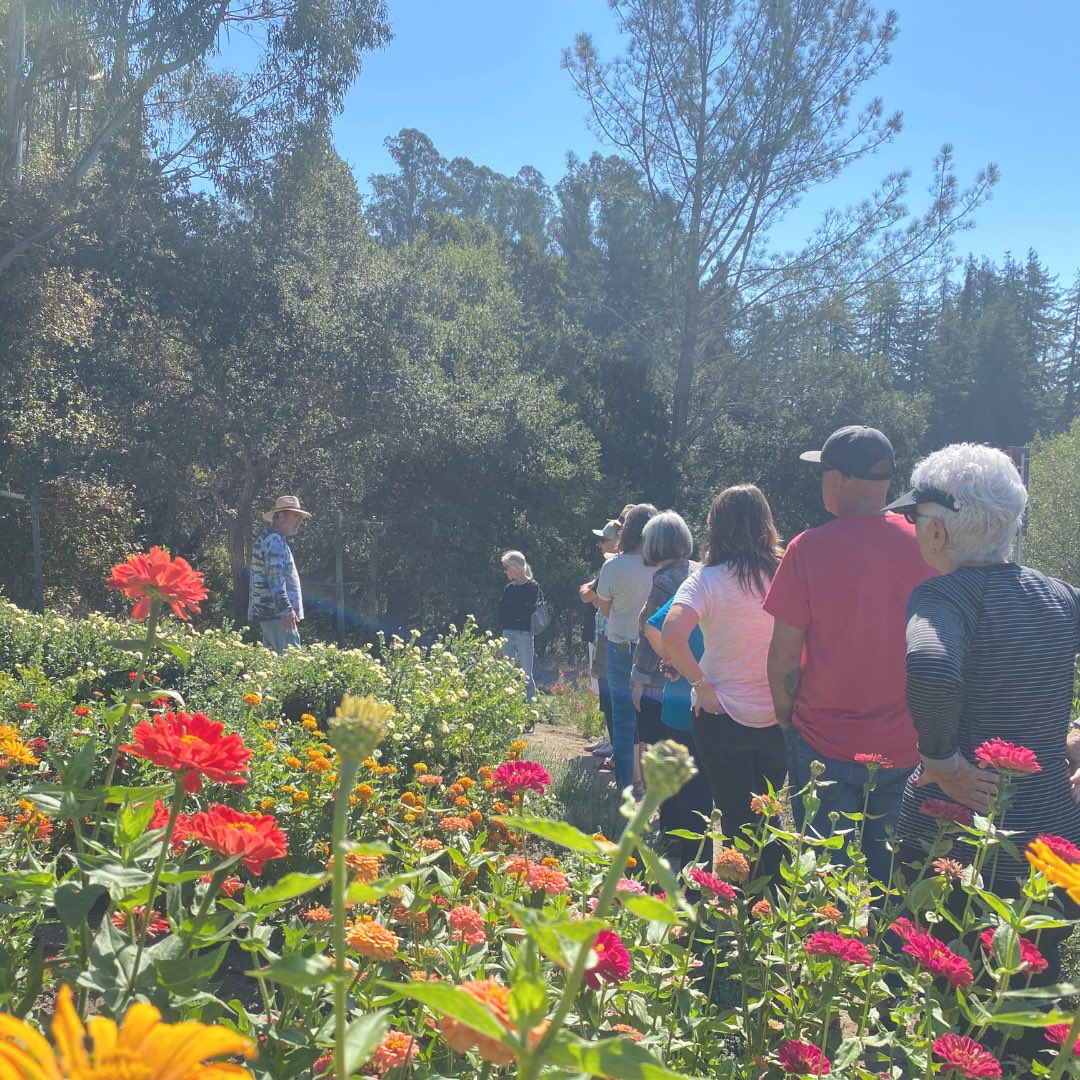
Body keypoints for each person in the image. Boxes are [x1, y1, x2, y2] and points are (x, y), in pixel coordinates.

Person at [886, 444, 1080, 1037]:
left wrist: (939, 758)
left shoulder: (944, 597)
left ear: (938, 532)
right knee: (1026, 1002)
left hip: (956, 827)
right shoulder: (1061, 597)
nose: (914, 528)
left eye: (916, 518)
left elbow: (931, 664)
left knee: (937, 1005)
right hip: (1053, 838)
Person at [763, 426, 935, 883]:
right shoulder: (927, 547)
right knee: (893, 883)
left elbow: (783, 656)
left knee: (823, 882)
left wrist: (786, 719)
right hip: (904, 746)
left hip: (822, 742)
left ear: (836, 478)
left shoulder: (807, 549)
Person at [662, 486, 784, 869]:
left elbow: (671, 634)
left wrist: (700, 683)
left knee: (734, 816)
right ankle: (771, 902)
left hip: (721, 713)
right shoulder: (786, 572)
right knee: (769, 812)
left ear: (715, 527)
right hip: (780, 713)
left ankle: (737, 908)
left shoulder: (707, 580)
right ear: (766, 523)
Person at [643, 592, 711, 871]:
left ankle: (683, 859)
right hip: (728, 702)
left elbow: (652, 626)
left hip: (682, 701)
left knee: (684, 786)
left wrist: (674, 659)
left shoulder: (698, 584)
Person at [631, 511, 696, 798]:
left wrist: (639, 680)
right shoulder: (696, 569)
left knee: (659, 747)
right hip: (695, 671)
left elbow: (649, 630)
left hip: (664, 677)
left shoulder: (663, 581)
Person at [595, 503, 658, 793]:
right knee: (649, 717)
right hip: (655, 648)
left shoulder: (614, 566)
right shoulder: (663, 567)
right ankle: (646, 780)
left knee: (623, 719)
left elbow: (605, 607)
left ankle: (627, 783)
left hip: (621, 646)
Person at [249, 495, 310, 653]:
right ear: (281, 516)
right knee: (292, 664)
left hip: (272, 614)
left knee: (275, 666)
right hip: (278, 615)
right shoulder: (274, 540)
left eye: (301, 518)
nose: (299, 521)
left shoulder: (271, 538)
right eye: (295, 516)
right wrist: (286, 610)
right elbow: (275, 579)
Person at [581, 519, 621, 758]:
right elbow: (589, 594)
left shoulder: (615, 567)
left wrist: (594, 596)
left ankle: (616, 746)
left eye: (604, 539)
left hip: (610, 638)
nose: (600, 544)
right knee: (605, 692)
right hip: (603, 635)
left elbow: (590, 595)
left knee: (610, 693)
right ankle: (609, 739)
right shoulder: (610, 567)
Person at [498, 551, 541, 704]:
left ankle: (529, 713)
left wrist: (513, 615)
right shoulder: (509, 588)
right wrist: (511, 618)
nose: (505, 571)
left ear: (515, 567)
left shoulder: (533, 586)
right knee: (505, 674)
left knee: (526, 676)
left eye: (506, 567)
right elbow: (501, 610)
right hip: (508, 633)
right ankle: (506, 710)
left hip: (524, 634)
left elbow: (527, 610)